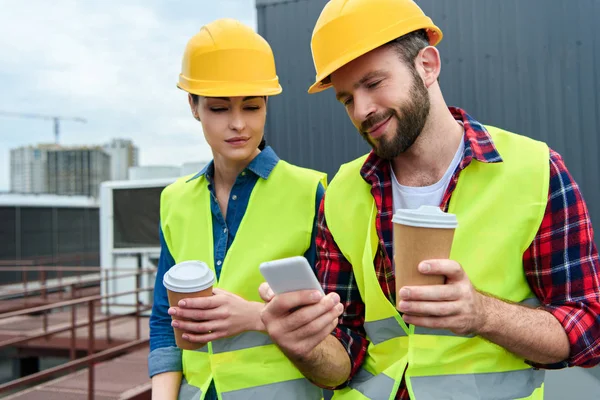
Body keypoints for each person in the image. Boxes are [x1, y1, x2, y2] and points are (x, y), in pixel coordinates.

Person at [258, 0, 600, 399]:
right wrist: (305, 345)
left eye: (373, 83)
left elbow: (587, 329)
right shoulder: (341, 193)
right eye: (347, 98)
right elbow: (342, 361)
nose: (362, 110)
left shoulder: (536, 170)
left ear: (427, 65)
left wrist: (481, 314)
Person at [148, 18, 327, 400]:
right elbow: (166, 319)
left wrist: (255, 317)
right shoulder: (175, 201)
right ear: (193, 107)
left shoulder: (311, 191)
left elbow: (334, 322)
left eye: (252, 107)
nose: (238, 124)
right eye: (218, 108)